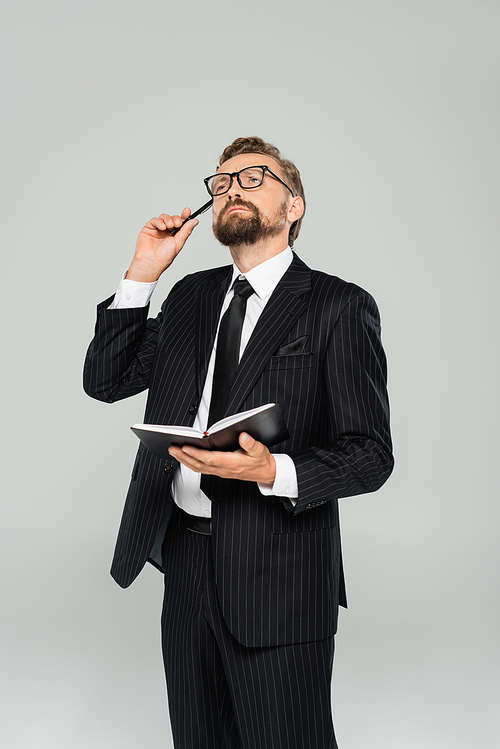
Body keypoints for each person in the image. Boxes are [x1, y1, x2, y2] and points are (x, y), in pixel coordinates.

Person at [84, 136, 394, 749]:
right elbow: (106, 380)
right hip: (186, 563)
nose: (231, 189)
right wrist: (142, 273)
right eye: (221, 182)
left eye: (253, 179)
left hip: (281, 570)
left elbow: (371, 454)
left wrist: (271, 470)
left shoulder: (338, 306)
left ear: (294, 205)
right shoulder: (190, 296)